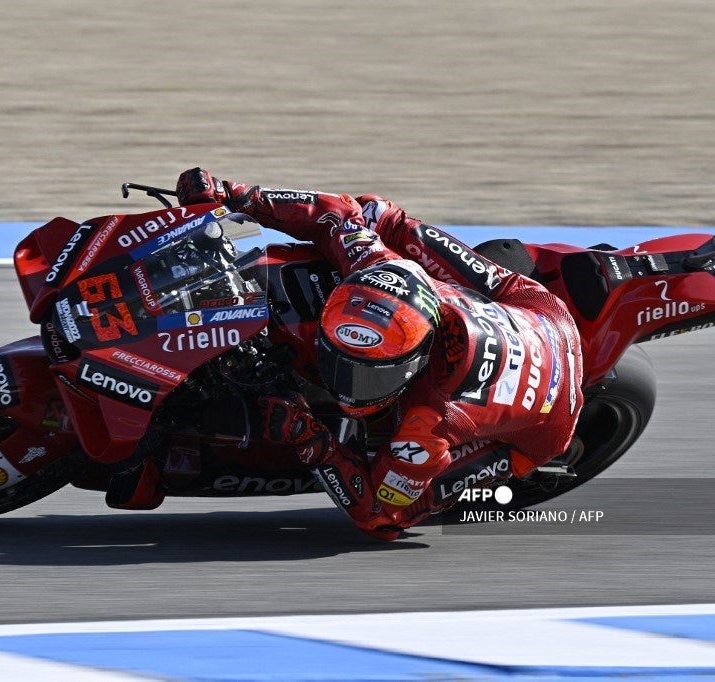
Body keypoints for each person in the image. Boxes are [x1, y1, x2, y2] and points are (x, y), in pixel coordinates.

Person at [174, 168, 585, 540]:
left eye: (366, 375)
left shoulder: (431, 422)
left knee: (404, 513)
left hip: (544, 419)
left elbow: (379, 513)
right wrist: (235, 195)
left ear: (414, 363)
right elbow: (337, 212)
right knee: (380, 217)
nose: (343, 384)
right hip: (532, 306)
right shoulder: (377, 265)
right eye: (335, 357)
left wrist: (312, 439)